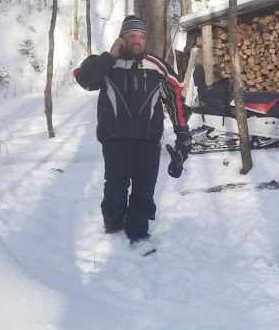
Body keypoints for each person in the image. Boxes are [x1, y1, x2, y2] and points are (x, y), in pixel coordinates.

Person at [73, 15, 192, 247]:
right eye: (131, 36)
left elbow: (175, 97)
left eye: (141, 37)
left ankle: (138, 232)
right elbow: (84, 79)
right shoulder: (106, 64)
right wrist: (110, 56)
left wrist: (183, 132)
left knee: (144, 188)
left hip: (148, 140)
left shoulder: (157, 67)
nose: (137, 41)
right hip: (114, 140)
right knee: (115, 187)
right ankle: (113, 224)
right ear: (122, 38)